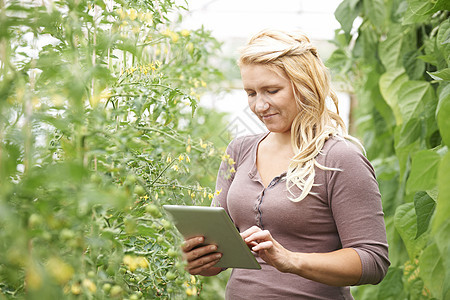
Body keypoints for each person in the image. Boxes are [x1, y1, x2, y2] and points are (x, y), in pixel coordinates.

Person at [181, 29, 390, 299]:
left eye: (272, 90)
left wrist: (292, 260)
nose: (259, 105)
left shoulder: (340, 158)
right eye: (251, 93)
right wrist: (202, 259)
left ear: (304, 85)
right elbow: (222, 254)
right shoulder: (239, 150)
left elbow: (373, 261)